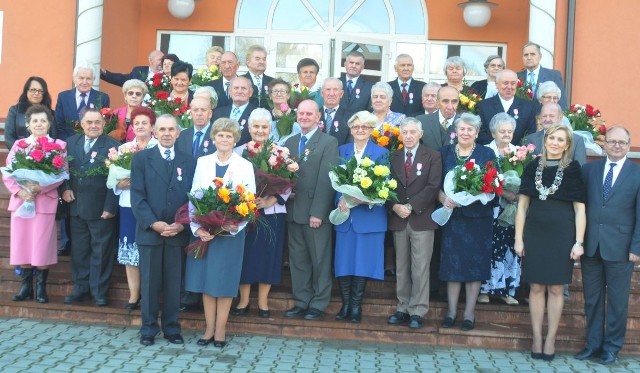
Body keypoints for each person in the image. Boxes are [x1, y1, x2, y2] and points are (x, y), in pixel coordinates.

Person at [514, 123, 586, 361]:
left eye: (561, 140)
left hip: (562, 235)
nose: (555, 142)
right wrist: (519, 239)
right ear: (545, 140)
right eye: (552, 138)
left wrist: (579, 242)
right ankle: (536, 337)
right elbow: (522, 207)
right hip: (535, 233)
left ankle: (551, 338)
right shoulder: (533, 166)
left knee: (556, 288)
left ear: (567, 146)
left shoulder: (573, 169)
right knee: (535, 286)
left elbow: (580, 210)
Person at [186, 118, 256, 348]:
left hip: (229, 234)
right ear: (213, 138)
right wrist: (198, 228)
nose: (224, 139)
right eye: (220, 135)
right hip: (207, 231)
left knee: (224, 281)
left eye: (229, 136)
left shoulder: (244, 165)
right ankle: (208, 329)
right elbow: (194, 197)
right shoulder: (203, 162)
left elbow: (250, 200)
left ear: (235, 139)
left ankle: (221, 330)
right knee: (206, 280)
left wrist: (237, 224)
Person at [576, 127, 640, 365]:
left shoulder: (637, 174)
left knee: (617, 301)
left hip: (622, 248)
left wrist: (637, 247)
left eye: (622, 142)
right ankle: (592, 345)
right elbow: (580, 207)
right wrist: (578, 241)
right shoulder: (588, 170)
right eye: (612, 141)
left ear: (628, 144)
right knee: (592, 299)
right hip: (591, 246)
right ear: (604, 144)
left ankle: (612, 347)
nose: (616, 146)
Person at [130, 114, 195, 346]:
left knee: (173, 283)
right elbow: (137, 197)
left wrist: (181, 223)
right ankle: (148, 329)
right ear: (155, 132)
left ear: (178, 133)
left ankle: (171, 327)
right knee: (149, 283)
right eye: (162, 129)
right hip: (151, 232)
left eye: (171, 129)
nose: (167, 133)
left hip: (177, 232)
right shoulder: (141, 159)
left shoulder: (189, 161)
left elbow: (193, 198)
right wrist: (154, 223)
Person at [2, 105, 66, 304]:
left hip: (44, 202)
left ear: (49, 124)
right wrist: (20, 191)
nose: (39, 124)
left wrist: (40, 188)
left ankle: (40, 288)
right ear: (28, 124)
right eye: (35, 121)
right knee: (22, 245)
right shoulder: (19, 145)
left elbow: (60, 175)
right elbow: (8, 173)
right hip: (22, 203)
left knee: (41, 246)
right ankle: (25, 286)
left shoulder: (58, 145)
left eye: (43, 120)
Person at [439, 113, 496, 332]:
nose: (465, 133)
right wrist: (443, 198)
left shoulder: (486, 153)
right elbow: (436, 183)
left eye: (470, 130)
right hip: (453, 218)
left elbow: (493, 183)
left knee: (474, 265)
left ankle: (469, 313)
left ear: (476, 132)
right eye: (462, 129)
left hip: (478, 219)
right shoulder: (445, 152)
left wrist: (478, 192)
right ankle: (452, 312)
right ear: (456, 131)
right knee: (453, 266)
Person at [283, 100, 339, 321]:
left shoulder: (328, 142)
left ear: (318, 117)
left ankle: (319, 302)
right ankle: (301, 300)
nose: (304, 117)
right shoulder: (291, 141)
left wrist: (318, 212)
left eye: (309, 114)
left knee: (319, 260)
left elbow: (327, 180)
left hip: (315, 214)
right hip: (293, 211)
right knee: (298, 260)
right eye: (301, 113)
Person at [232, 109, 290, 319]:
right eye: (255, 126)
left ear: (270, 129)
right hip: (245, 213)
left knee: (269, 256)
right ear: (248, 129)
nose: (260, 130)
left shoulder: (281, 153)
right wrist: (247, 202)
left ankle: (263, 302)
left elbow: (288, 183)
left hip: (272, 212)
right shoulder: (238, 152)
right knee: (245, 256)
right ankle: (244, 300)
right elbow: (233, 181)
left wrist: (269, 200)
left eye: (264, 127)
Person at [333, 111, 389, 323]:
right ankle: (345, 304)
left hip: (369, 216)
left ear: (371, 130)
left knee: (362, 262)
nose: (360, 130)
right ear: (350, 129)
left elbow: (384, 183)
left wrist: (369, 199)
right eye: (356, 127)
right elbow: (335, 180)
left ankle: (356, 306)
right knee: (344, 261)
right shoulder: (342, 150)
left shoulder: (380, 153)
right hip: (345, 215)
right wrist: (340, 198)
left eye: (365, 127)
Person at [386, 117, 442, 329]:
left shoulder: (433, 156)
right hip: (399, 218)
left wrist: (411, 206)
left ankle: (418, 310)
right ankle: (402, 307)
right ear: (400, 135)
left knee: (420, 267)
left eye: (412, 132)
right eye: (405, 132)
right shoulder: (394, 156)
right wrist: (394, 206)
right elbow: (385, 185)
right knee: (401, 267)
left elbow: (433, 185)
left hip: (421, 218)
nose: (408, 136)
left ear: (420, 135)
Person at [61, 109, 120, 307]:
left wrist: (110, 206)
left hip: (101, 209)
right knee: (80, 251)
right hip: (76, 206)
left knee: (101, 252)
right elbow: (62, 170)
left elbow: (116, 179)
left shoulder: (113, 146)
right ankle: (81, 288)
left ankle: (99, 292)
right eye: (89, 122)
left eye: (97, 122)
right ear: (82, 125)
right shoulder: (70, 143)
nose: (93, 125)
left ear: (103, 124)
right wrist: (65, 189)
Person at [111, 107, 158, 311]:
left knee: (149, 252)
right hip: (128, 205)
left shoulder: (159, 148)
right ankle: (133, 295)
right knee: (130, 251)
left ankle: (150, 294)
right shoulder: (124, 149)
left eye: (144, 123)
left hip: (151, 206)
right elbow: (114, 179)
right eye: (136, 123)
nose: (140, 126)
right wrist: (119, 184)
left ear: (152, 126)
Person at [478, 113, 521, 306]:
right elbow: (483, 179)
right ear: (494, 133)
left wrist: (517, 194)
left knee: (510, 249)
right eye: (502, 131)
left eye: (509, 131)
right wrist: (503, 192)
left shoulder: (519, 152)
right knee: (490, 248)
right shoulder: (486, 152)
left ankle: (508, 291)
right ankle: (484, 290)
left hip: (512, 210)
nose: (506, 134)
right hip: (492, 209)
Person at [477, 69, 537, 145]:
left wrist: (517, 152)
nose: (509, 87)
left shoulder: (528, 107)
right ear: (496, 84)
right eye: (505, 83)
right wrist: (495, 150)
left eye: (513, 83)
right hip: (490, 153)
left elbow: (530, 134)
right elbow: (481, 133)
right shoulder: (483, 106)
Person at [55, 63, 111, 140]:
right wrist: (69, 144)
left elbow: (105, 125)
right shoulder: (63, 97)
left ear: (93, 80)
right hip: (68, 145)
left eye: (88, 78)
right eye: (81, 78)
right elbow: (59, 125)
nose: (84, 82)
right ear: (74, 79)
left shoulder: (103, 98)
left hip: (93, 145)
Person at [518, 42, 567, 109]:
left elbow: (561, 102)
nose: (529, 57)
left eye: (533, 54)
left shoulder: (553, 75)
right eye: (526, 55)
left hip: (546, 117)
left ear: (540, 56)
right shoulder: (517, 77)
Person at [213, 76, 257, 146]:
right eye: (236, 88)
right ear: (230, 91)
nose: (239, 91)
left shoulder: (256, 114)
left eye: (243, 88)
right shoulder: (218, 113)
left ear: (250, 92)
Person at [416, 86, 458, 151]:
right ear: (437, 102)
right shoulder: (421, 121)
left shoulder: (466, 122)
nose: (450, 106)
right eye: (445, 101)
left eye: (454, 101)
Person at [339, 51, 374, 118]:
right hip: (337, 126)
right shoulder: (336, 83)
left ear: (362, 67)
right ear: (345, 64)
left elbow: (371, 111)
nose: (354, 66)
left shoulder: (370, 86)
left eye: (357, 64)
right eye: (351, 62)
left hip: (359, 126)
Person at [268, 78, 301, 145]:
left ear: (288, 95)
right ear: (270, 96)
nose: (279, 94)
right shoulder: (266, 116)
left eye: (282, 91)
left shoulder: (297, 115)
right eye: (275, 91)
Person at [319, 78, 351, 146]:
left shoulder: (350, 117)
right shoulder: (314, 115)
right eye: (328, 89)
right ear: (322, 93)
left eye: (335, 89)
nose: (331, 94)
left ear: (341, 94)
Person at [243, 45, 273, 109]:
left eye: (264, 59)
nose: (262, 62)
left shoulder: (273, 82)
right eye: (257, 59)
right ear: (248, 62)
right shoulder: (240, 81)